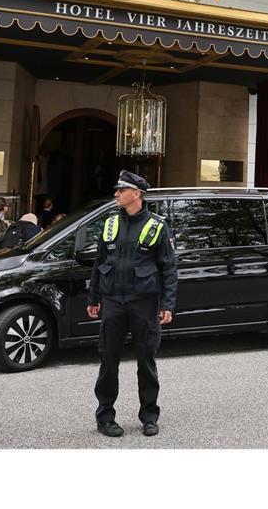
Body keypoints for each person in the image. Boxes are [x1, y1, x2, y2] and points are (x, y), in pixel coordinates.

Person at [89, 171, 177, 438]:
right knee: (108, 362)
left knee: (146, 362)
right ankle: (105, 417)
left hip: (144, 304)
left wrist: (168, 304)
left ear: (136, 194)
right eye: (117, 190)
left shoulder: (157, 226)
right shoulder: (110, 224)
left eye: (120, 190)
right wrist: (93, 298)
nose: (116, 194)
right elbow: (98, 263)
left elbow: (169, 268)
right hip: (113, 302)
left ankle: (149, 416)